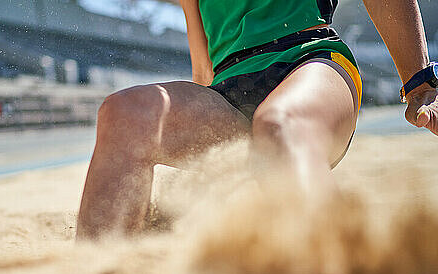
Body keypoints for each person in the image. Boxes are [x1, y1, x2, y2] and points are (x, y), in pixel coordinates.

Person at [76, 0, 438, 240]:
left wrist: (420, 82)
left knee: (279, 125)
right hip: (227, 91)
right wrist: (202, 154)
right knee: (123, 113)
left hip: (310, 60)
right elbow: (203, 68)